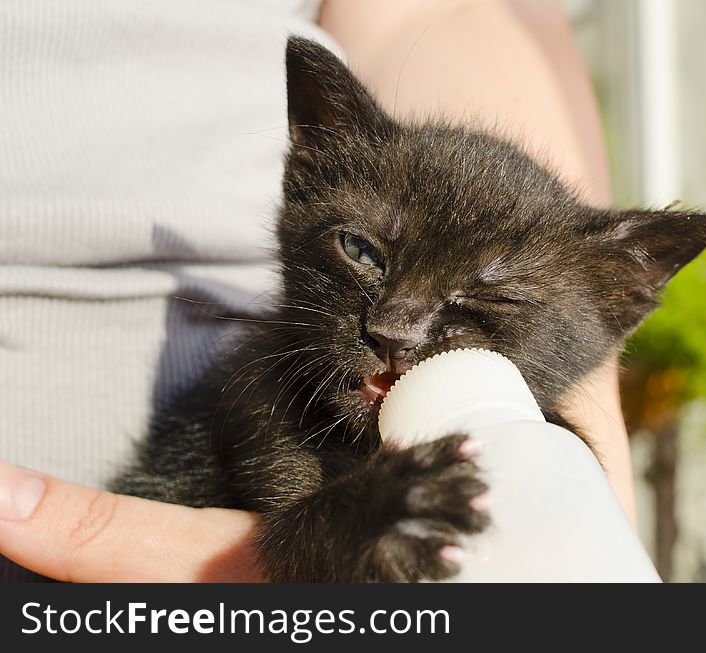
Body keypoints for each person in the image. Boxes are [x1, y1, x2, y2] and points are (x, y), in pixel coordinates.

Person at [0, 0, 635, 582]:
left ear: (612, 308)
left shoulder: (554, 449)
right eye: (360, 253)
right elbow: (301, 521)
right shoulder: (274, 397)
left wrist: (590, 514)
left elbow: (452, 10)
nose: (394, 326)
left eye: (498, 299)